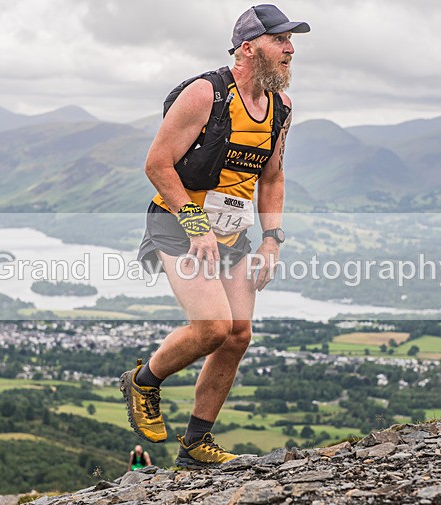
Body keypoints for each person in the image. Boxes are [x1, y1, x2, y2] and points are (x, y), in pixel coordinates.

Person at [120, 5, 309, 468]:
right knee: (212, 327)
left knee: (238, 334)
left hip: (232, 232)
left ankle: (195, 446)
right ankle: (143, 380)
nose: (290, 49)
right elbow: (157, 165)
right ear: (248, 47)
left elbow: (272, 178)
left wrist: (272, 239)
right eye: (280, 40)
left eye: (291, 41)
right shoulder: (205, 93)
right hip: (179, 223)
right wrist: (195, 223)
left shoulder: (281, 108)